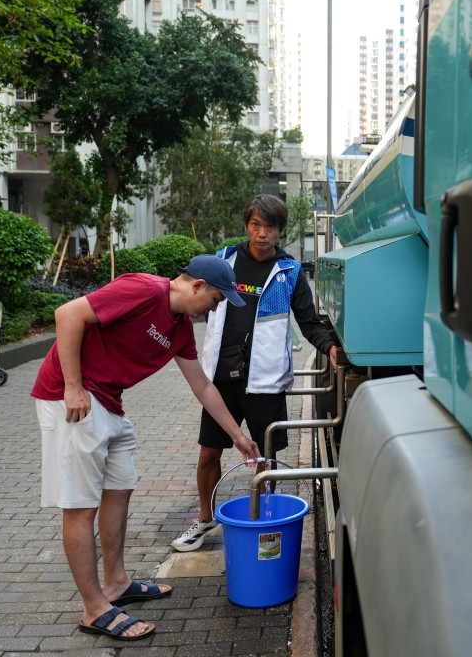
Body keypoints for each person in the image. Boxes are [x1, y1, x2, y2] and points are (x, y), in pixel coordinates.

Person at [32, 255, 263, 642]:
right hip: (72, 398)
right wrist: (73, 386)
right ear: (197, 286)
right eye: (215, 300)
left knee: (120, 488)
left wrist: (237, 436)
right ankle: (94, 608)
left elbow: (203, 386)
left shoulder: (180, 329)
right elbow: (68, 313)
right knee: (80, 505)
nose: (214, 309)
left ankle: (117, 582)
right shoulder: (143, 289)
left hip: (109, 402)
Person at [171, 194, 338, 552]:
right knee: (208, 455)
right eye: (256, 225)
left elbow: (309, 323)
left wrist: (329, 348)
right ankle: (205, 520)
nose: (262, 233)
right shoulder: (223, 260)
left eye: (271, 227)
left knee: (265, 461)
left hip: (265, 381)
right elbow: (187, 296)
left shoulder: (290, 272)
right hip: (221, 378)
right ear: (247, 225)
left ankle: (265, 522)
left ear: (280, 230)